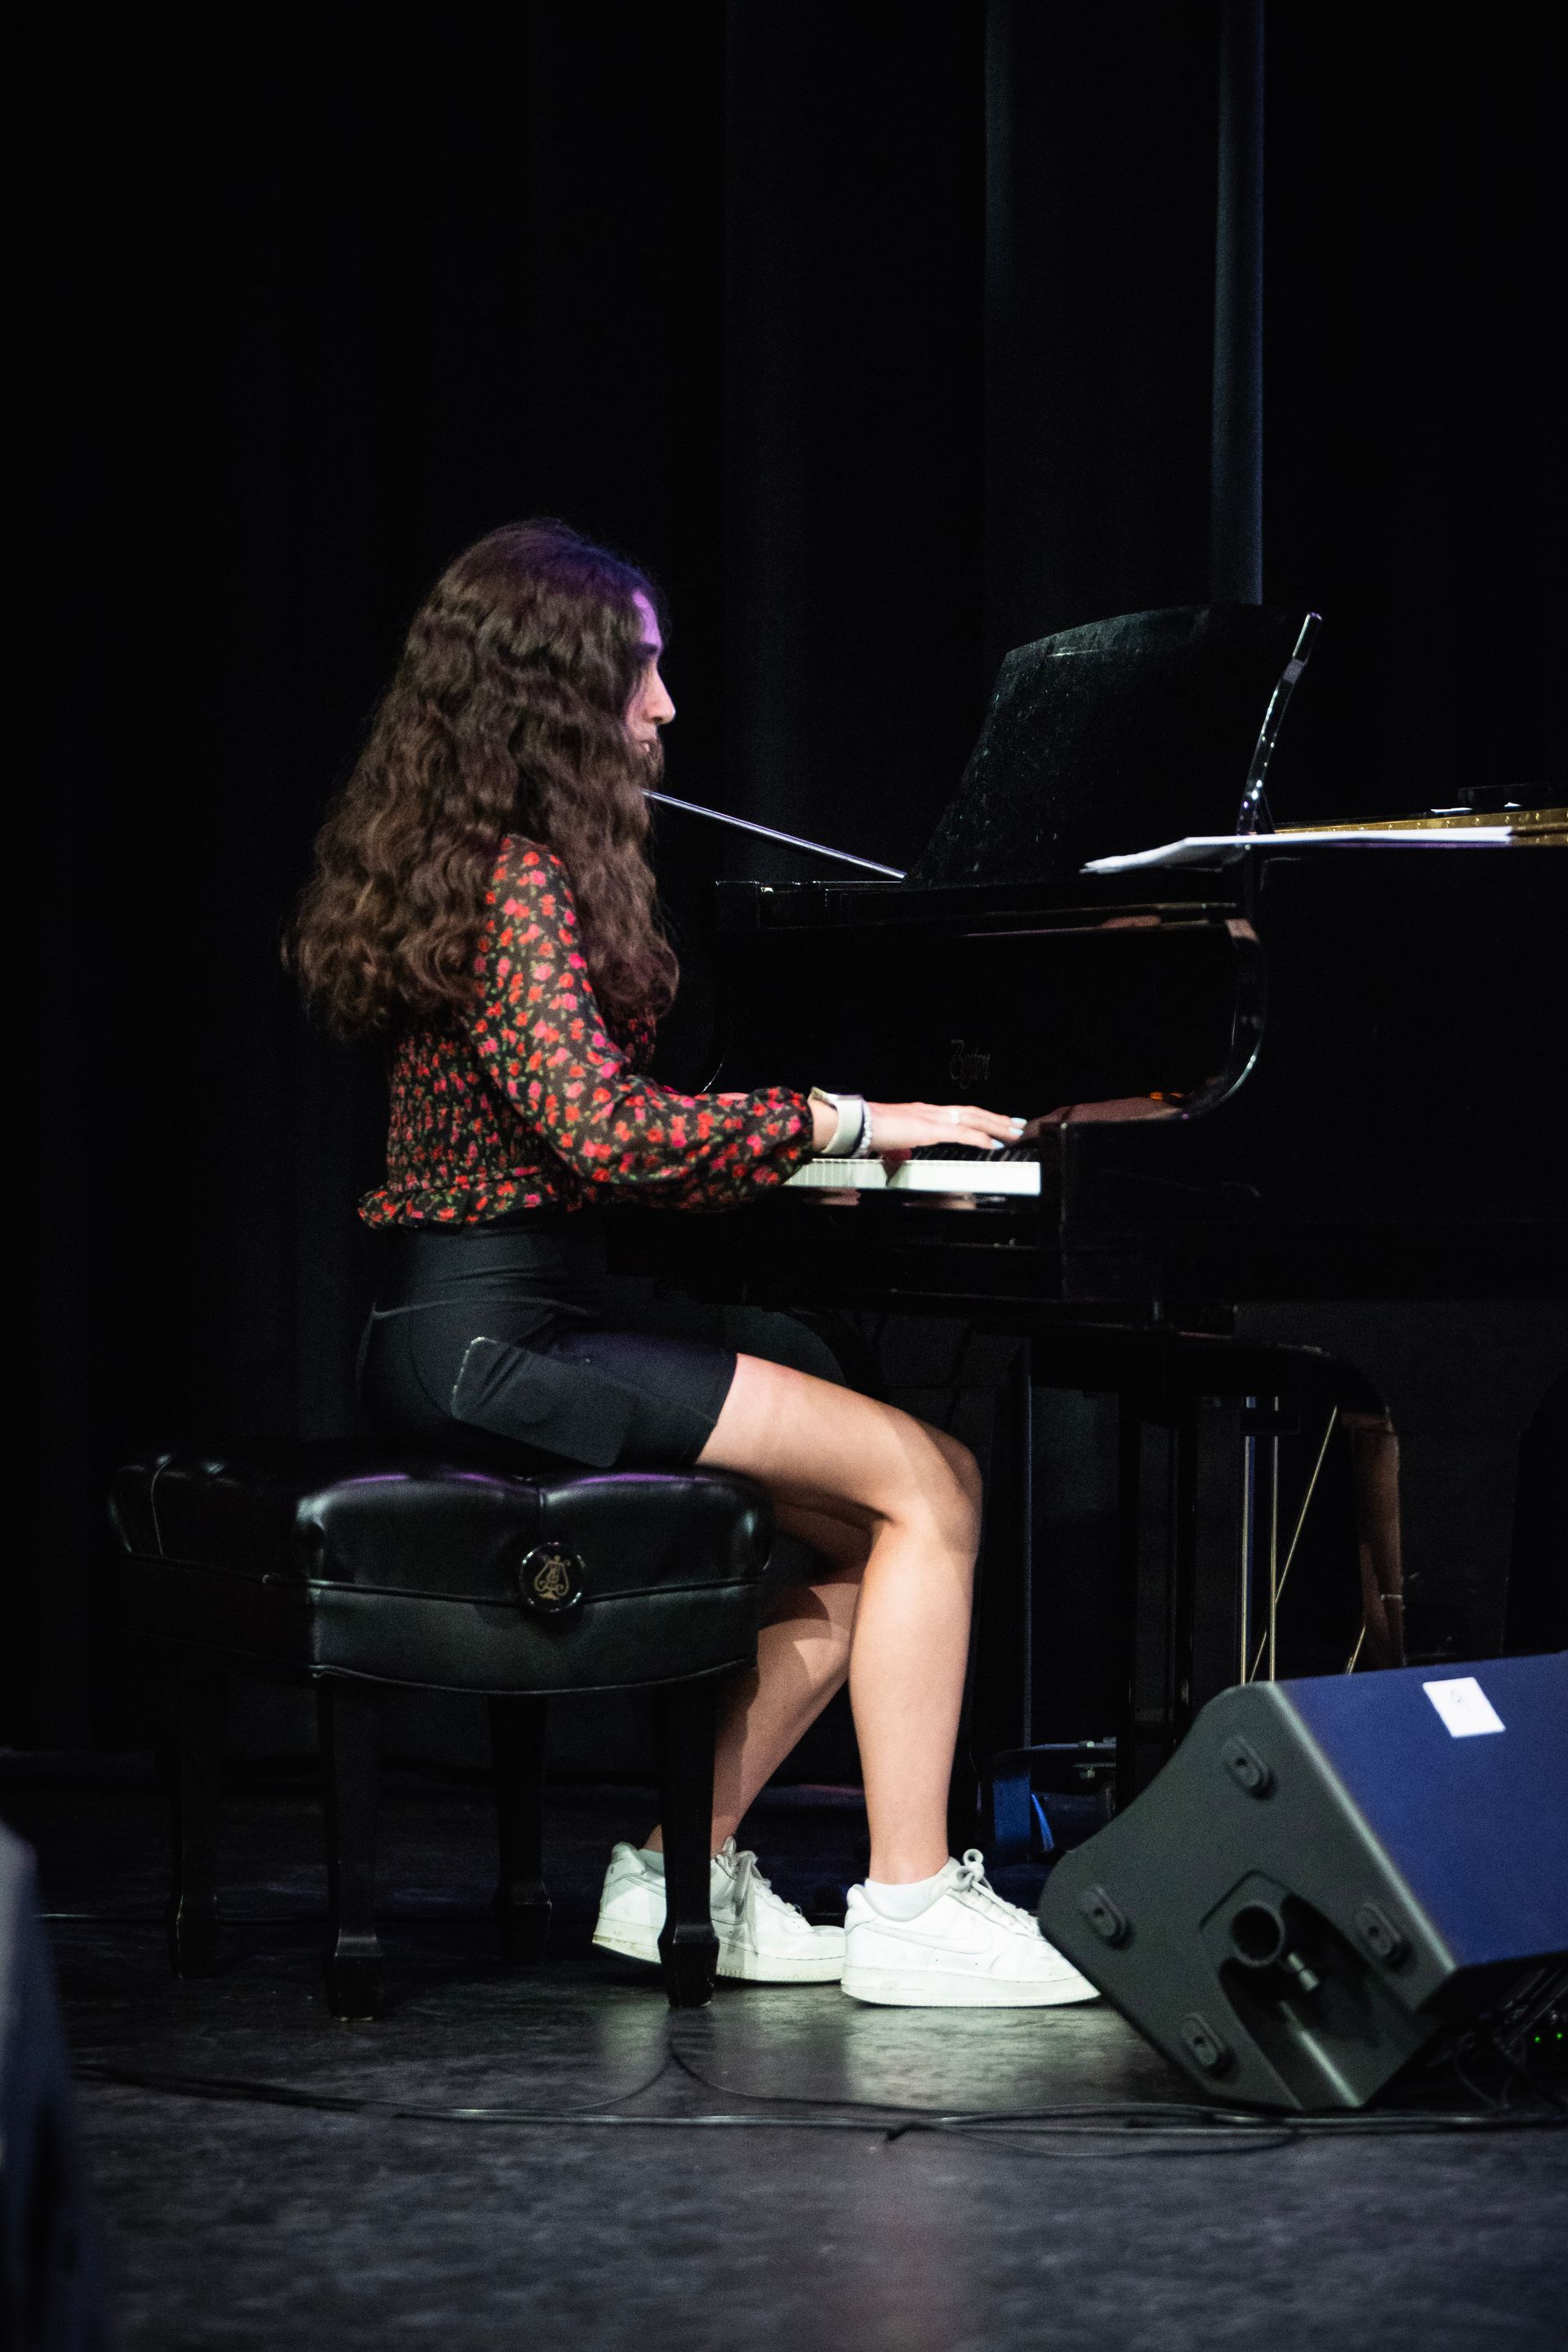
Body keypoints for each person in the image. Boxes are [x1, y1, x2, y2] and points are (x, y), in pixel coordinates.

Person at [290, 520, 1096, 2009]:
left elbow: (593, 1135)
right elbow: (603, 1131)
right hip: (504, 1348)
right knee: (935, 1481)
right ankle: (912, 1907)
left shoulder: (463, 865)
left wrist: (821, 1152)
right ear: (554, 691)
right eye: (643, 674)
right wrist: (849, 1120)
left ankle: (678, 1865)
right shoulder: (515, 880)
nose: (666, 708)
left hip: (477, 1326)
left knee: (878, 1520)